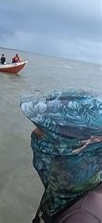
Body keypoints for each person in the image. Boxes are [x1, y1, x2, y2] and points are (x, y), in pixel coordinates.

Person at [20, 90, 101, 223]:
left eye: (48, 130)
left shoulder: (83, 217)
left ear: (78, 146)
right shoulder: (69, 186)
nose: (35, 133)